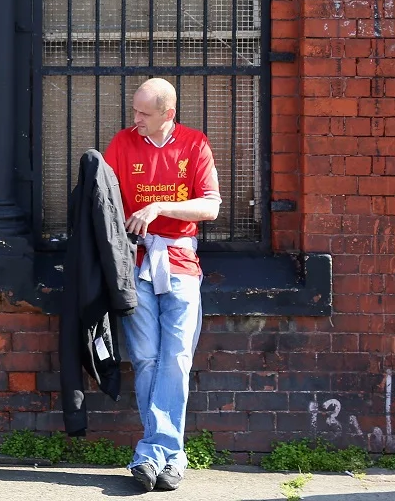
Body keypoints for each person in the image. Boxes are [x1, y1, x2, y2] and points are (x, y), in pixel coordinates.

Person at [102, 78, 221, 493]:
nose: (135, 120)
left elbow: (210, 206)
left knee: (177, 358)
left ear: (167, 114)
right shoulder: (123, 143)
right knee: (147, 357)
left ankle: (154, 452)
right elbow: (104, 200)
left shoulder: (194, 144)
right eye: (134, 111)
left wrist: (159, 206)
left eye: (143, 113)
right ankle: (168, 454)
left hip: (180, 263)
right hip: (134, 263)